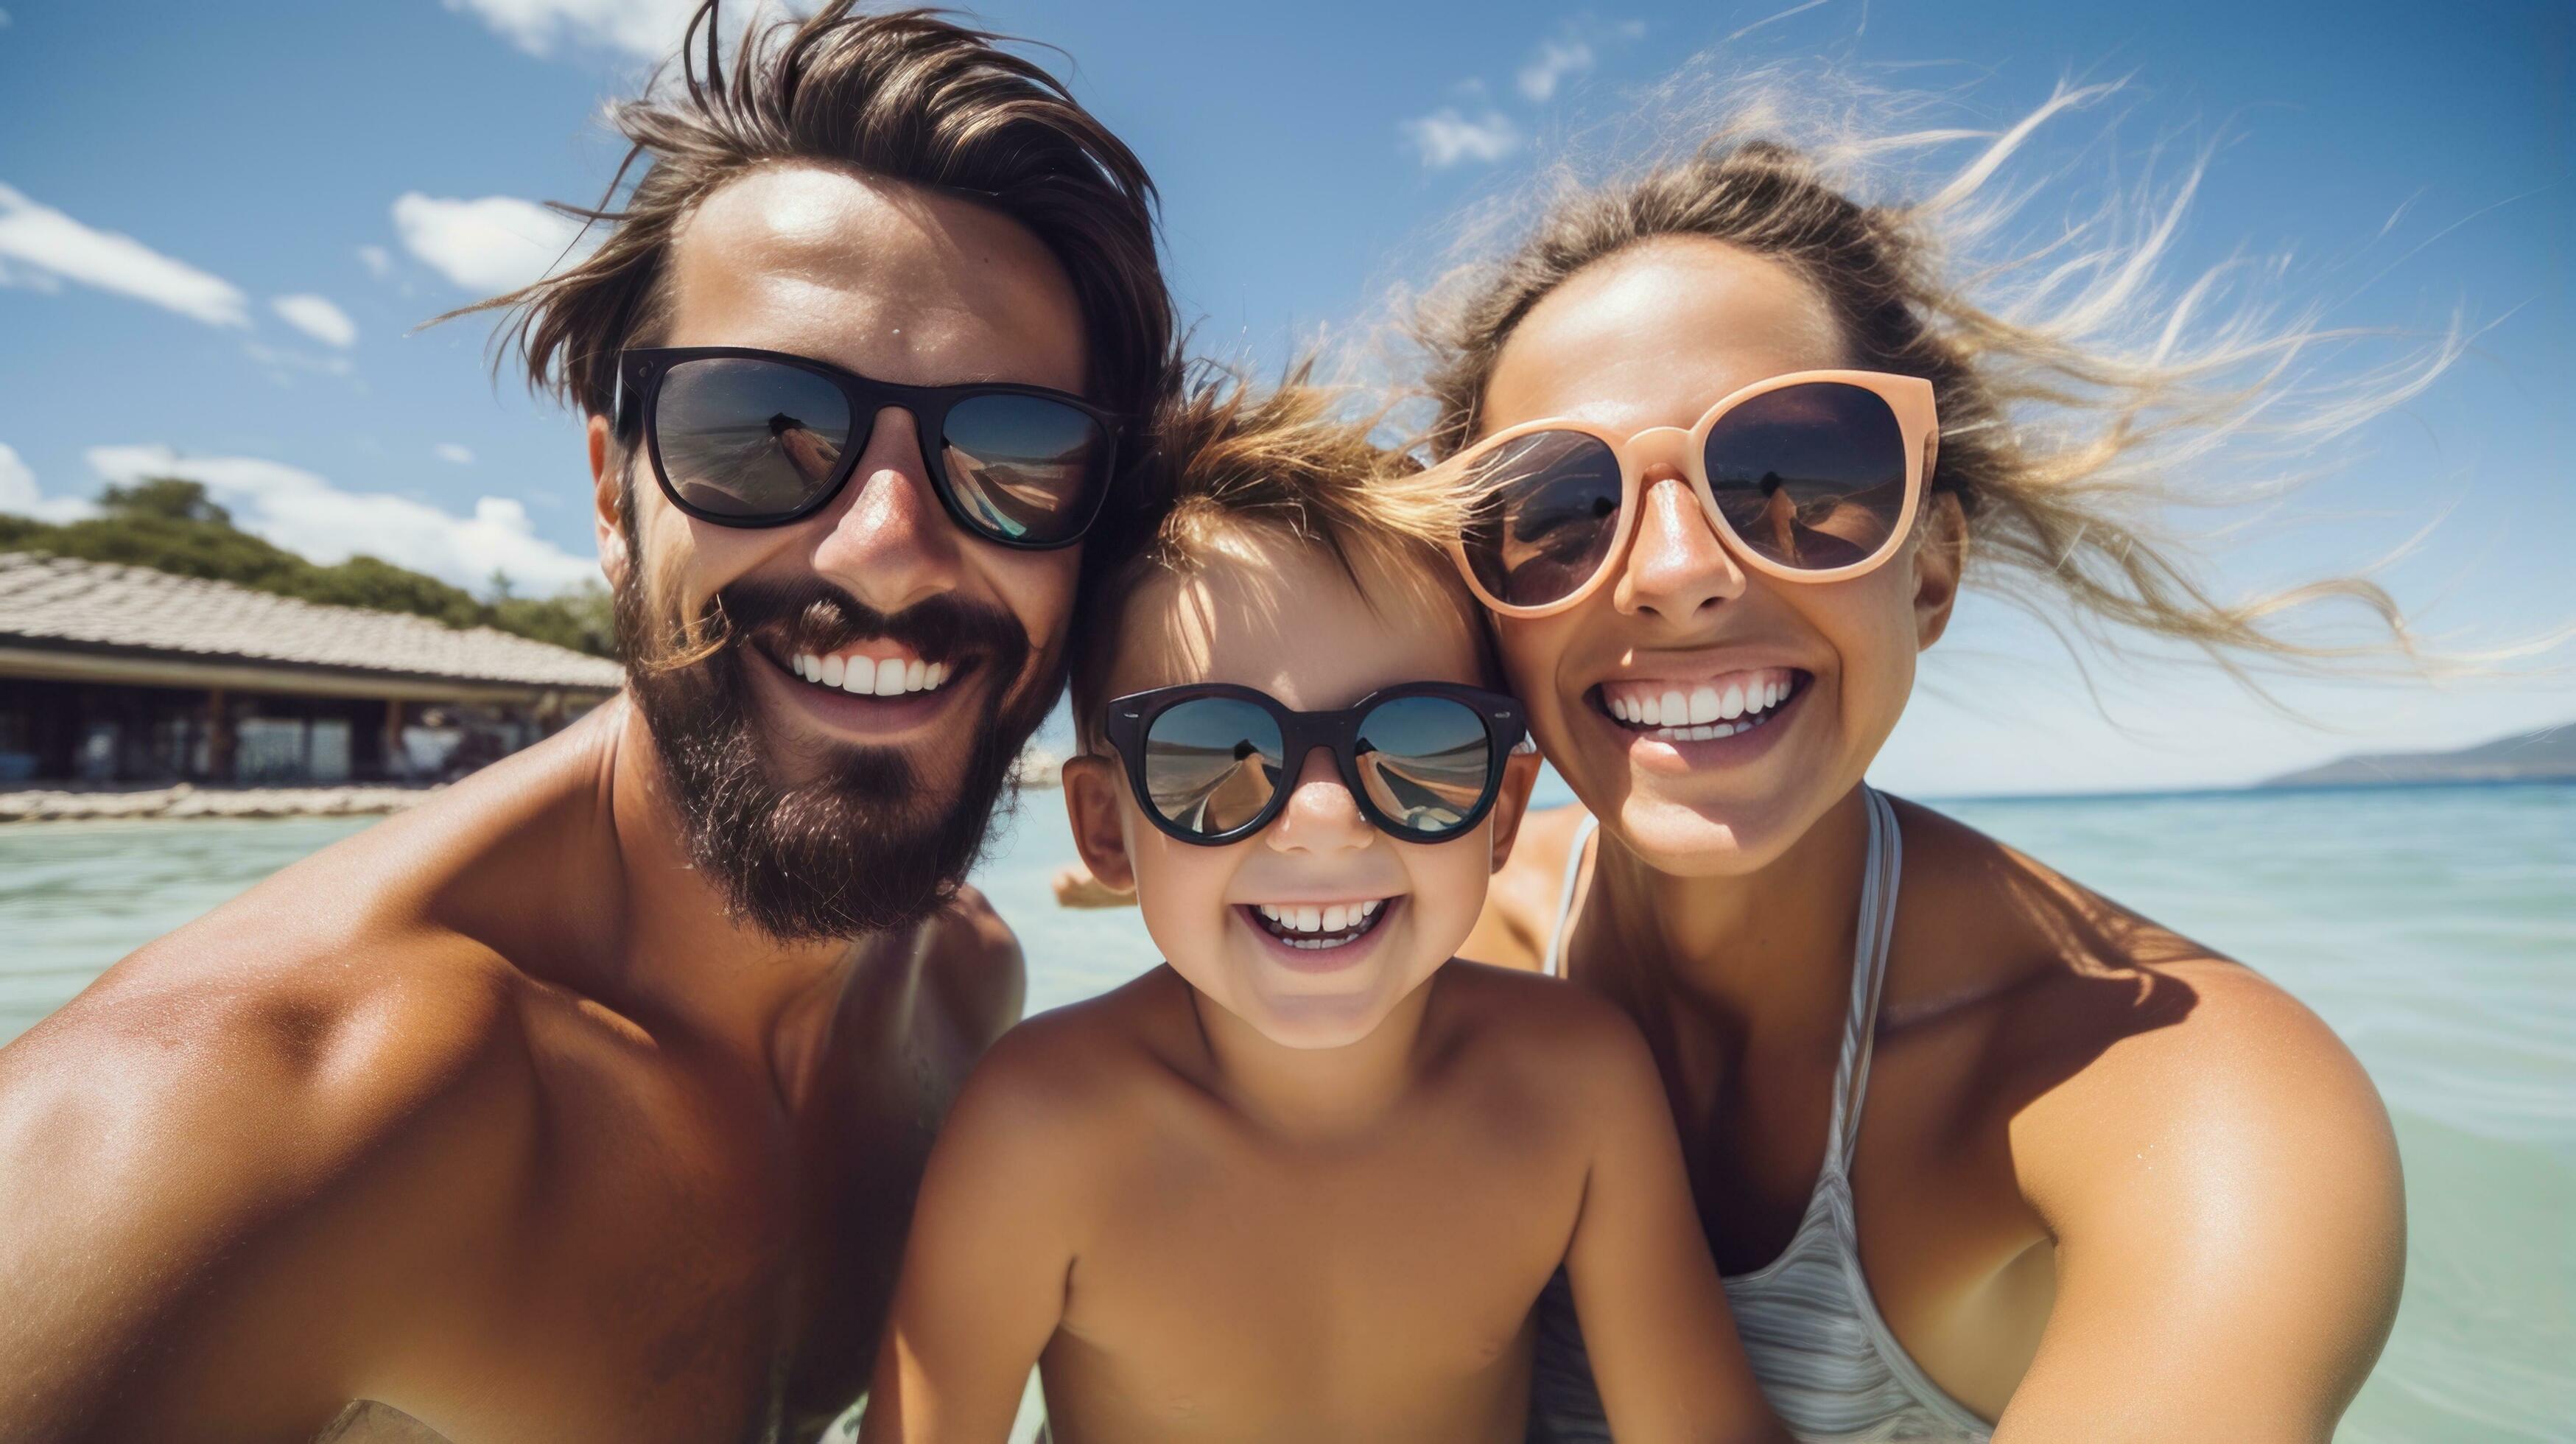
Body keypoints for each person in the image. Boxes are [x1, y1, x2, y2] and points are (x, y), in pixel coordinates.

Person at [0, 4, 1172, 1440]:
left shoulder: (958, 994)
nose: (887, 548)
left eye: (1015, 459)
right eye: (761, 429)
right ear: (617, 497)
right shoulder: (222, 1132)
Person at [1422, 108, 2410, 1440]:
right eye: (1555, 512)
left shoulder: (2192, 1107)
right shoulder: (1435, 946)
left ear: (1929, 566)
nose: (1673, 574)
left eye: (1791, 475)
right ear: (1485, 605)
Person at [861, 382, 1785, 1444]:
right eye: (1211, 749)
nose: (1320, 818)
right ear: (1106, 828)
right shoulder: (1042, 1129)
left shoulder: (1575, 1087)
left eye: (1420, 747)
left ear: (1499, 812)